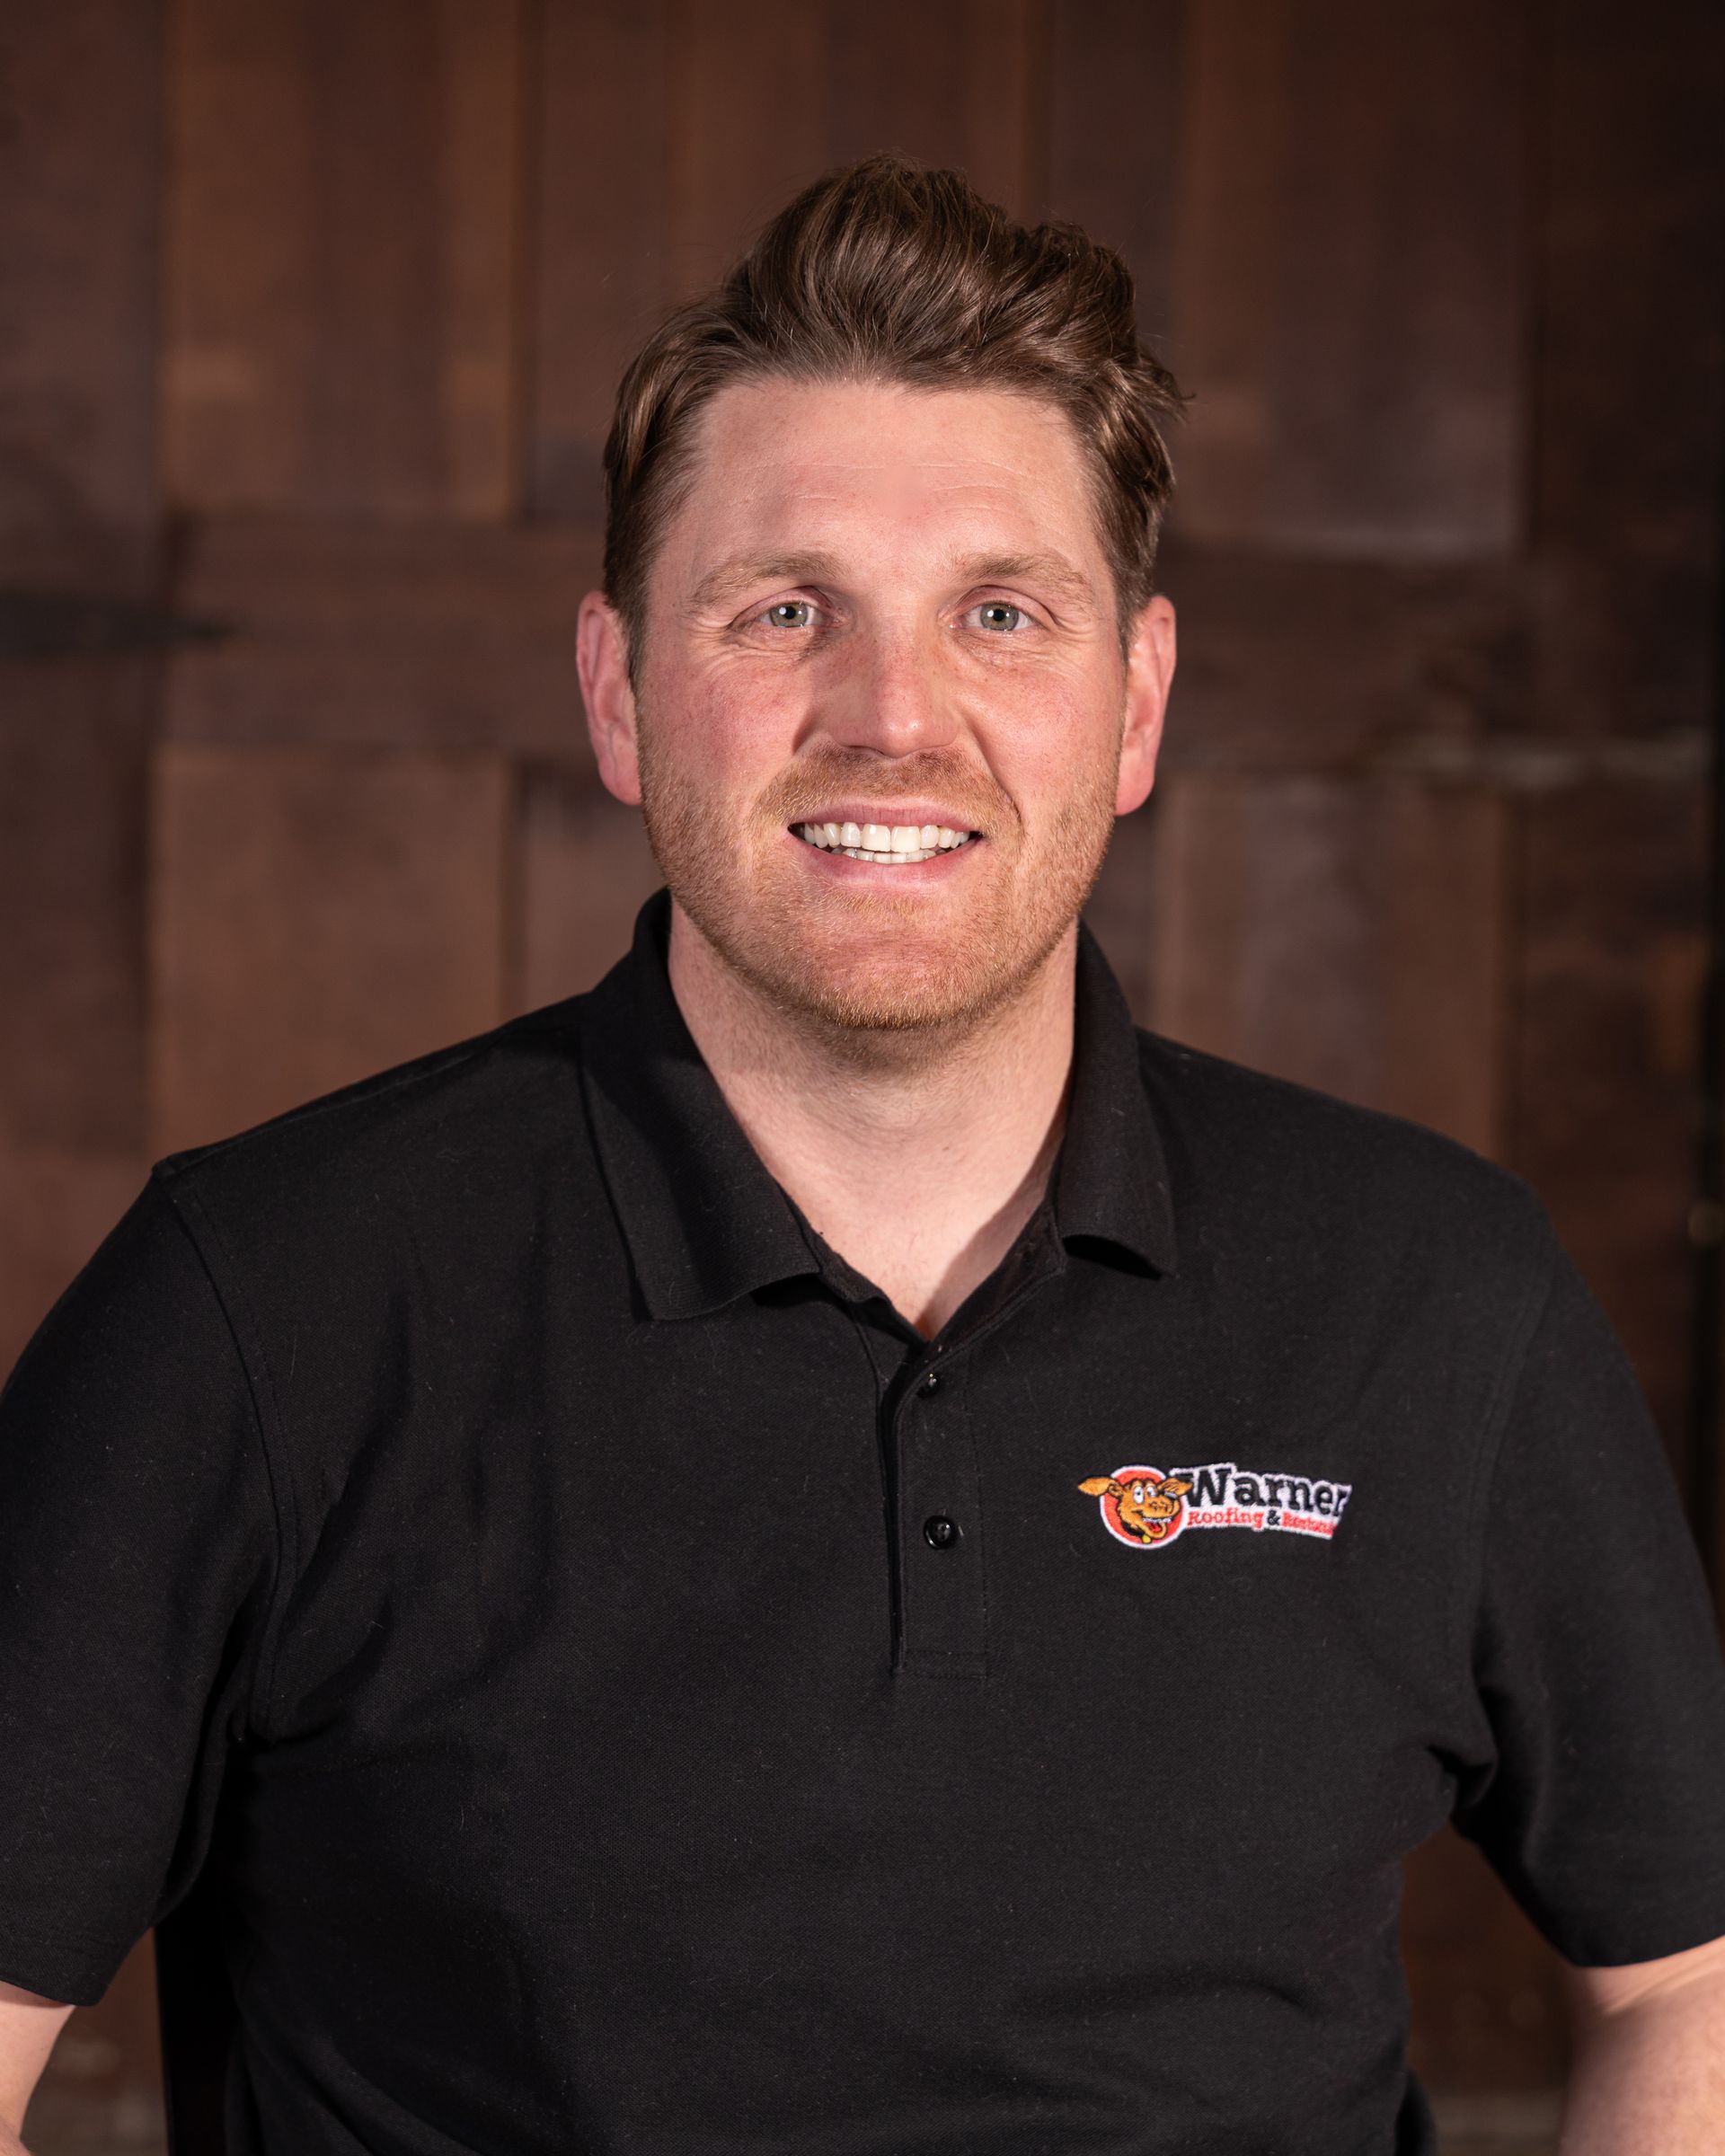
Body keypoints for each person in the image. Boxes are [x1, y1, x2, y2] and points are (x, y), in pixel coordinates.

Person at [2, 153, 1723, 2156]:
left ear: (1136, 702)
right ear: (619, 693)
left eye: (1000, 613)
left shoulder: (1439, 1291)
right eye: (784, 610)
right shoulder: (258, 1304)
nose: (893, 718)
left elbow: (1686, 1975)